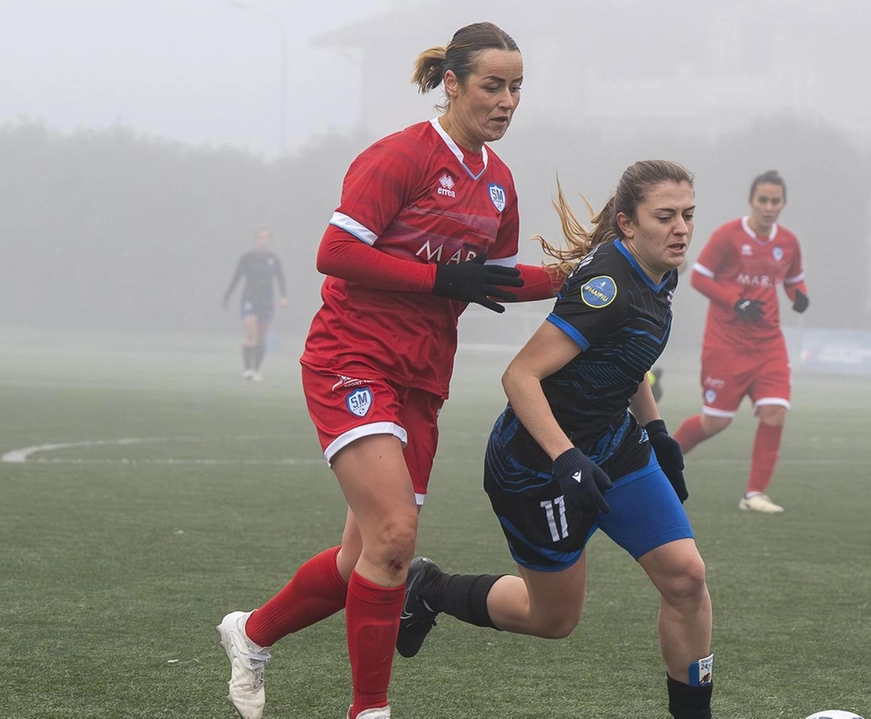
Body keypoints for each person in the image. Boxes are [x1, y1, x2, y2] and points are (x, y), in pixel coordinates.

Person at [216, 22, 564, 719]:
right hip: (353, 356)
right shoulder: (400, 156)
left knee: (366, 559)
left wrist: (582, 276)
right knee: (396, 537)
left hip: (422, 377)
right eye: (493, 86)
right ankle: (369, 710)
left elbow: (490, 277)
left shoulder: (498, 184)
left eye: (518, 88)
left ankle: (250, 633)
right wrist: (440, 279)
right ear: (453, 83)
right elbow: (336, 253)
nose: (507, 101)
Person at [396, 160, 715, 719]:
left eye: (688, 215)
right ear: (627, 224)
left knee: (687, 579)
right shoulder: (606, 286)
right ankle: (430, 588)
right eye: (665, 216)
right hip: (534, 466)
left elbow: (626, 355)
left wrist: (657, 429)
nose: (682, 229)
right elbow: (520, 376)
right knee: (554, 621)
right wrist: (564, 456)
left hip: (613, 444)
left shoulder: (661, 269)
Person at [669, 170, 809, 514]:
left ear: (783, 204)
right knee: (715, 422)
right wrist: (736, 301)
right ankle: (656, 463)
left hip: (769, 343)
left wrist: (799, 296)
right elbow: (699, 278)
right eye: (763, 200)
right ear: (751, 201)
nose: (769, 207)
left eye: (775, 201)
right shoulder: (728, 236)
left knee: (775, 413)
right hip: (726, 343)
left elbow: (794, 279)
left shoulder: (788, 242)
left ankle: (755, 494)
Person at [223, 228, 287, 381]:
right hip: (250, 298)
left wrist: (283, 296)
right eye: (260, 237)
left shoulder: (273, 258)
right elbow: (236, 277)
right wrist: (227, 297)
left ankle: (257, 369)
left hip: (266, 300)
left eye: (266, 237)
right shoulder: (247, 258)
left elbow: (280, 278)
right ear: (256, 239)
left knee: (261, 336)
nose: (262, 240)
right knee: (251, 332)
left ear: (269, 240)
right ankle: (247, 370)